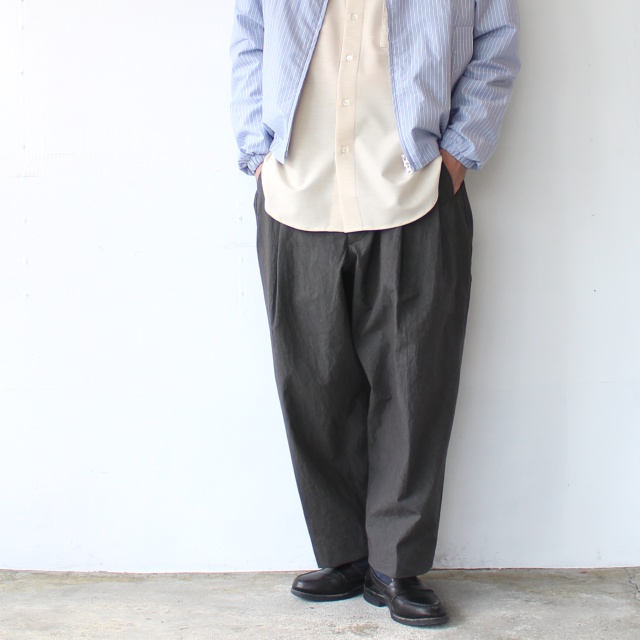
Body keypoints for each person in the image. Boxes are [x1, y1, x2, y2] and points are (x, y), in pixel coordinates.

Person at [230, 0, 520, 628]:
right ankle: (344, 554)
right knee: (312, 387)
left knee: (415, 389)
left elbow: (496, 45)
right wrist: (257, 153)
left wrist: (459, 155)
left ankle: (396, 565)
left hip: (415, 191)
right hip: (297, 193)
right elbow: (250, 38)